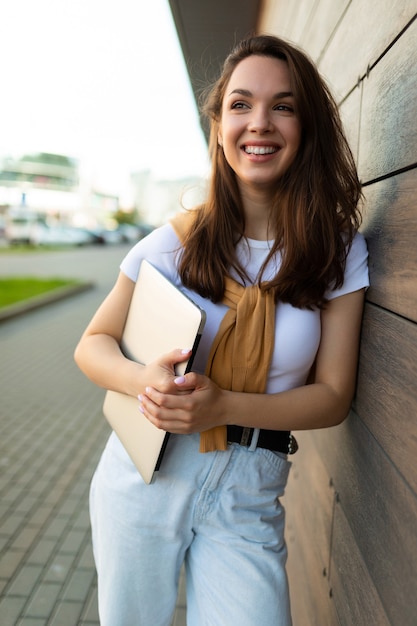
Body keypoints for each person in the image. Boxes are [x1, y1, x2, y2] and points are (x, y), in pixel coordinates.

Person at [74, 34, 369, 626]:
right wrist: (145, 380)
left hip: (249, 492)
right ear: (218, 125)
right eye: (240, 104)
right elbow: (92, 344)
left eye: (283, 106)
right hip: (147, 476)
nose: (259, 123)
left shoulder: (338, 251)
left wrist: (222, 407)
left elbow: (333, 396)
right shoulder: (176, 242)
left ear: (306, 126)